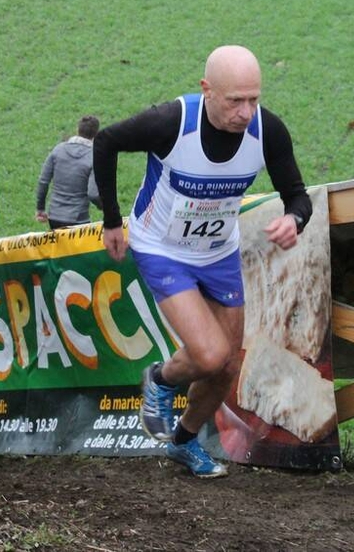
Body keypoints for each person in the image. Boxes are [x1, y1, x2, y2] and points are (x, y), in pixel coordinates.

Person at [92, 45, 312, 478]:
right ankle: (159, 378)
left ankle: (185, 441)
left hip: (218, 252)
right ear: (207, 90)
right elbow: (107, 141)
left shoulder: (268, 130)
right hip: (162, 247)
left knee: (228, 365)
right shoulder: (171, 123)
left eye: (254, 99)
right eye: (235, 101)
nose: (246, 112)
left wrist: (294, 219)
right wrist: (112, 220)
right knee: (210, 355)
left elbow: (297, 194)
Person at [35, 115, 101, 229]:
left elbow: (43, 181)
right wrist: (105, 207)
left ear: (77, 130)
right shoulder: (94, 157)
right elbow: (93, 194)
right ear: (96, 134)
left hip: (54, 217)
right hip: (79, 219)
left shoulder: (58, 149)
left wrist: (40, 209)